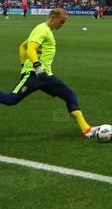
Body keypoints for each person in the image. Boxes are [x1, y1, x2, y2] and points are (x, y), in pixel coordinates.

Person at [0, 9, 98, 138]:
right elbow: (30, 48)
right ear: (52, 18)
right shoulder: (42, 30)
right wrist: (35, 66)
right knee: (10, 100)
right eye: (61, 22)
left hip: (45, 76)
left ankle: (86, 129)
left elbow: (22, 46)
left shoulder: (46, 31)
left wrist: (24, 64)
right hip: (34, 75)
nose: (62, 25)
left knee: (69, 95)